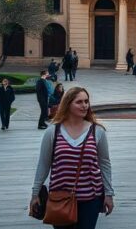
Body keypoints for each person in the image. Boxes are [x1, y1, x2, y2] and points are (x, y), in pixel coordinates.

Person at [30, 87, 115, 228]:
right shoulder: (53, 132)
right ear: (68, 104)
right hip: (59, 199)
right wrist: (35, 194)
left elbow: (104, 164)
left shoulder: (97, 131)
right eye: (79, 102)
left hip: (90, 199)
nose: (84, 106)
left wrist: (109, 194)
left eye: (86, 101)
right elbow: (44, 164)